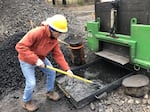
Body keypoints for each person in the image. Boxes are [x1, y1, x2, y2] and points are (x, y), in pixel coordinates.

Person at [15, 14, 74, 112]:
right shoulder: (37, 32)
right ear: (52, 29)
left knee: (52, 72)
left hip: (41, 58)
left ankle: (49, 92)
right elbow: (20, 46)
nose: (60, 35)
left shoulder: (54, 40)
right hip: (26, 59)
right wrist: (35, 60)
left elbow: (58, 55)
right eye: (59, 32)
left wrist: (67, 69)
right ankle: (26, 102)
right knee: (31, 83)